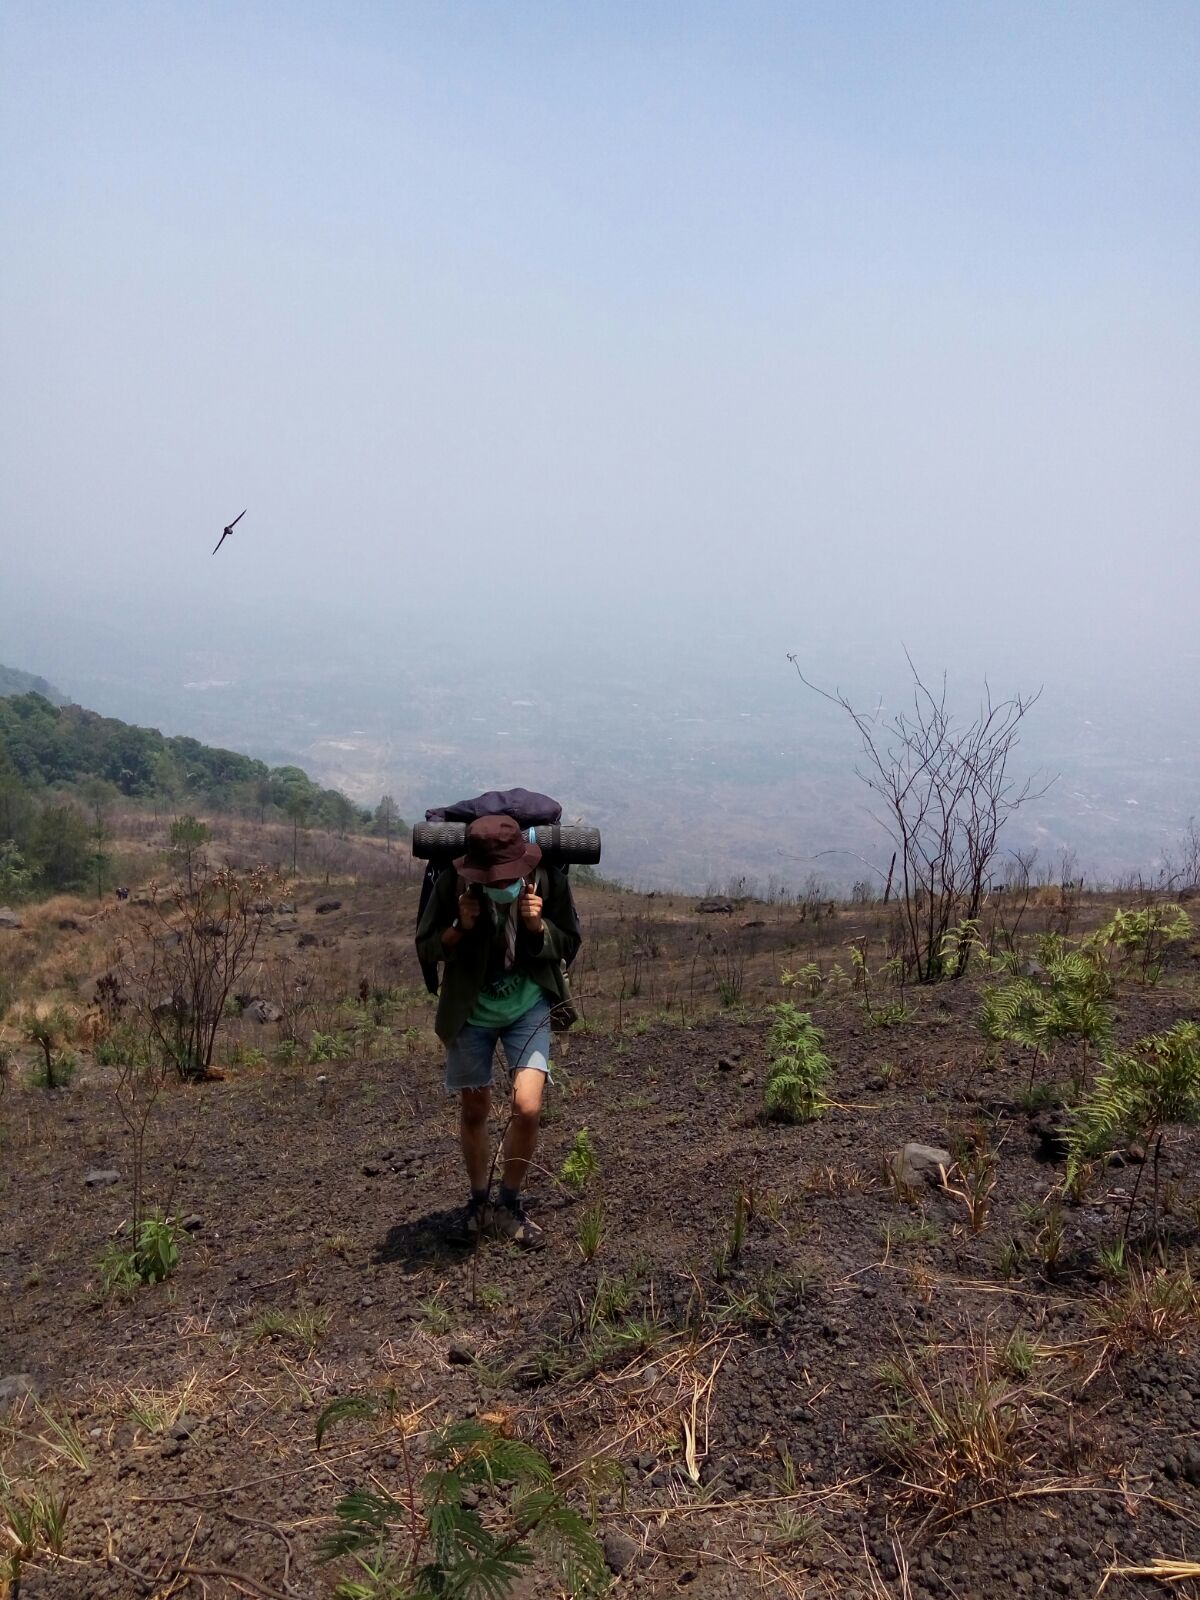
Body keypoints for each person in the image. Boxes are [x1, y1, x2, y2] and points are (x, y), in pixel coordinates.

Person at [415, 814, 581, 1247]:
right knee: (475, 1108)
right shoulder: (452, 885)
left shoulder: (545, 880)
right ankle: (478, 1202)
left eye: (507, 876)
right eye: (491, 878)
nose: (501, 883)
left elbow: (570, 940)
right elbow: (426, 945)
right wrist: (459, 929)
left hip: (528, 1004)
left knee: (527, 1107)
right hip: (471, 1011)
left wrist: (536, 927)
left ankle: (509, 1202)